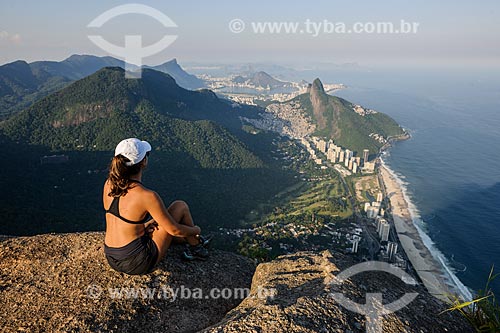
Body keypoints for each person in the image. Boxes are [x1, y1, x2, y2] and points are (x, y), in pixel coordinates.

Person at [103, 138, 209, 275]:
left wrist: (144, 227)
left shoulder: (108, 184)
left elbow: (124, 217)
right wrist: (196, 229)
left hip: (111, 256)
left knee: (159, 221)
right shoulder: (147, 196)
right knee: (179, 207)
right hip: (135, 262)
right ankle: (196, 247)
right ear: (144, 162)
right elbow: (174, 230)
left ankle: (191, 241)